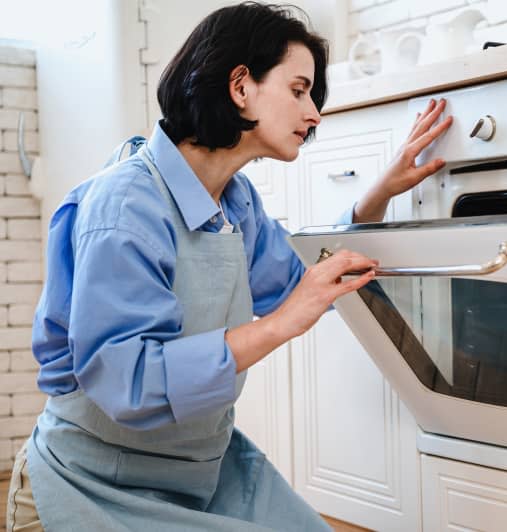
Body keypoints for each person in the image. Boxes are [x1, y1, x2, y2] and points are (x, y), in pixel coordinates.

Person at [5, 3, 452, 530]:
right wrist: (279, 325)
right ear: (241, 86)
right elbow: (130, 383)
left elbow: (298, 281)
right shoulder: (126, 206)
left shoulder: (234, 202)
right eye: (298, 89)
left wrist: (376, 196)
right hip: (92, 483)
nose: (314, 115)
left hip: (199, 474)